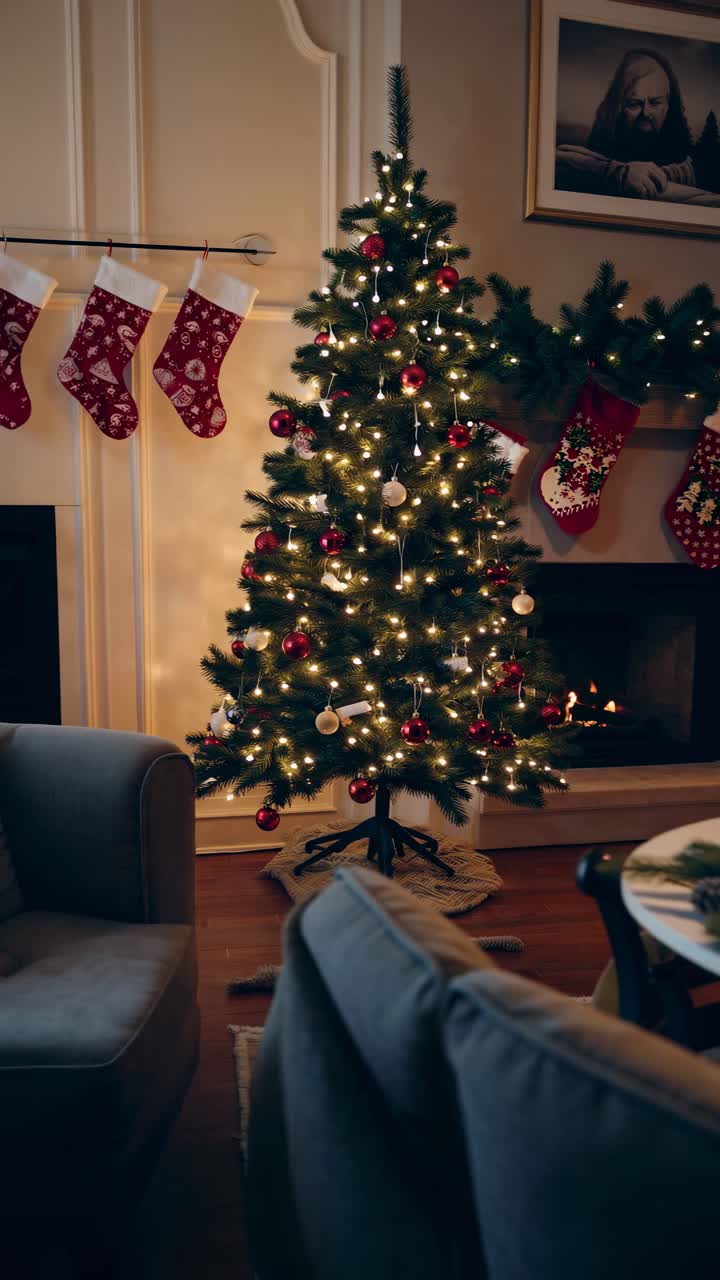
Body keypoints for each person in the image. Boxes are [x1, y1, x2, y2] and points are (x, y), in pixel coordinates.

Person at [556, 48, 696, 198]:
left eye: (655, 103)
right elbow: (559, 157)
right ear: (618, 108)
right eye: (634, 104)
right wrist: (621, 173)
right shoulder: (602, 149)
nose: (646, 113)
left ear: (668, 105)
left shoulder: (689, 165)